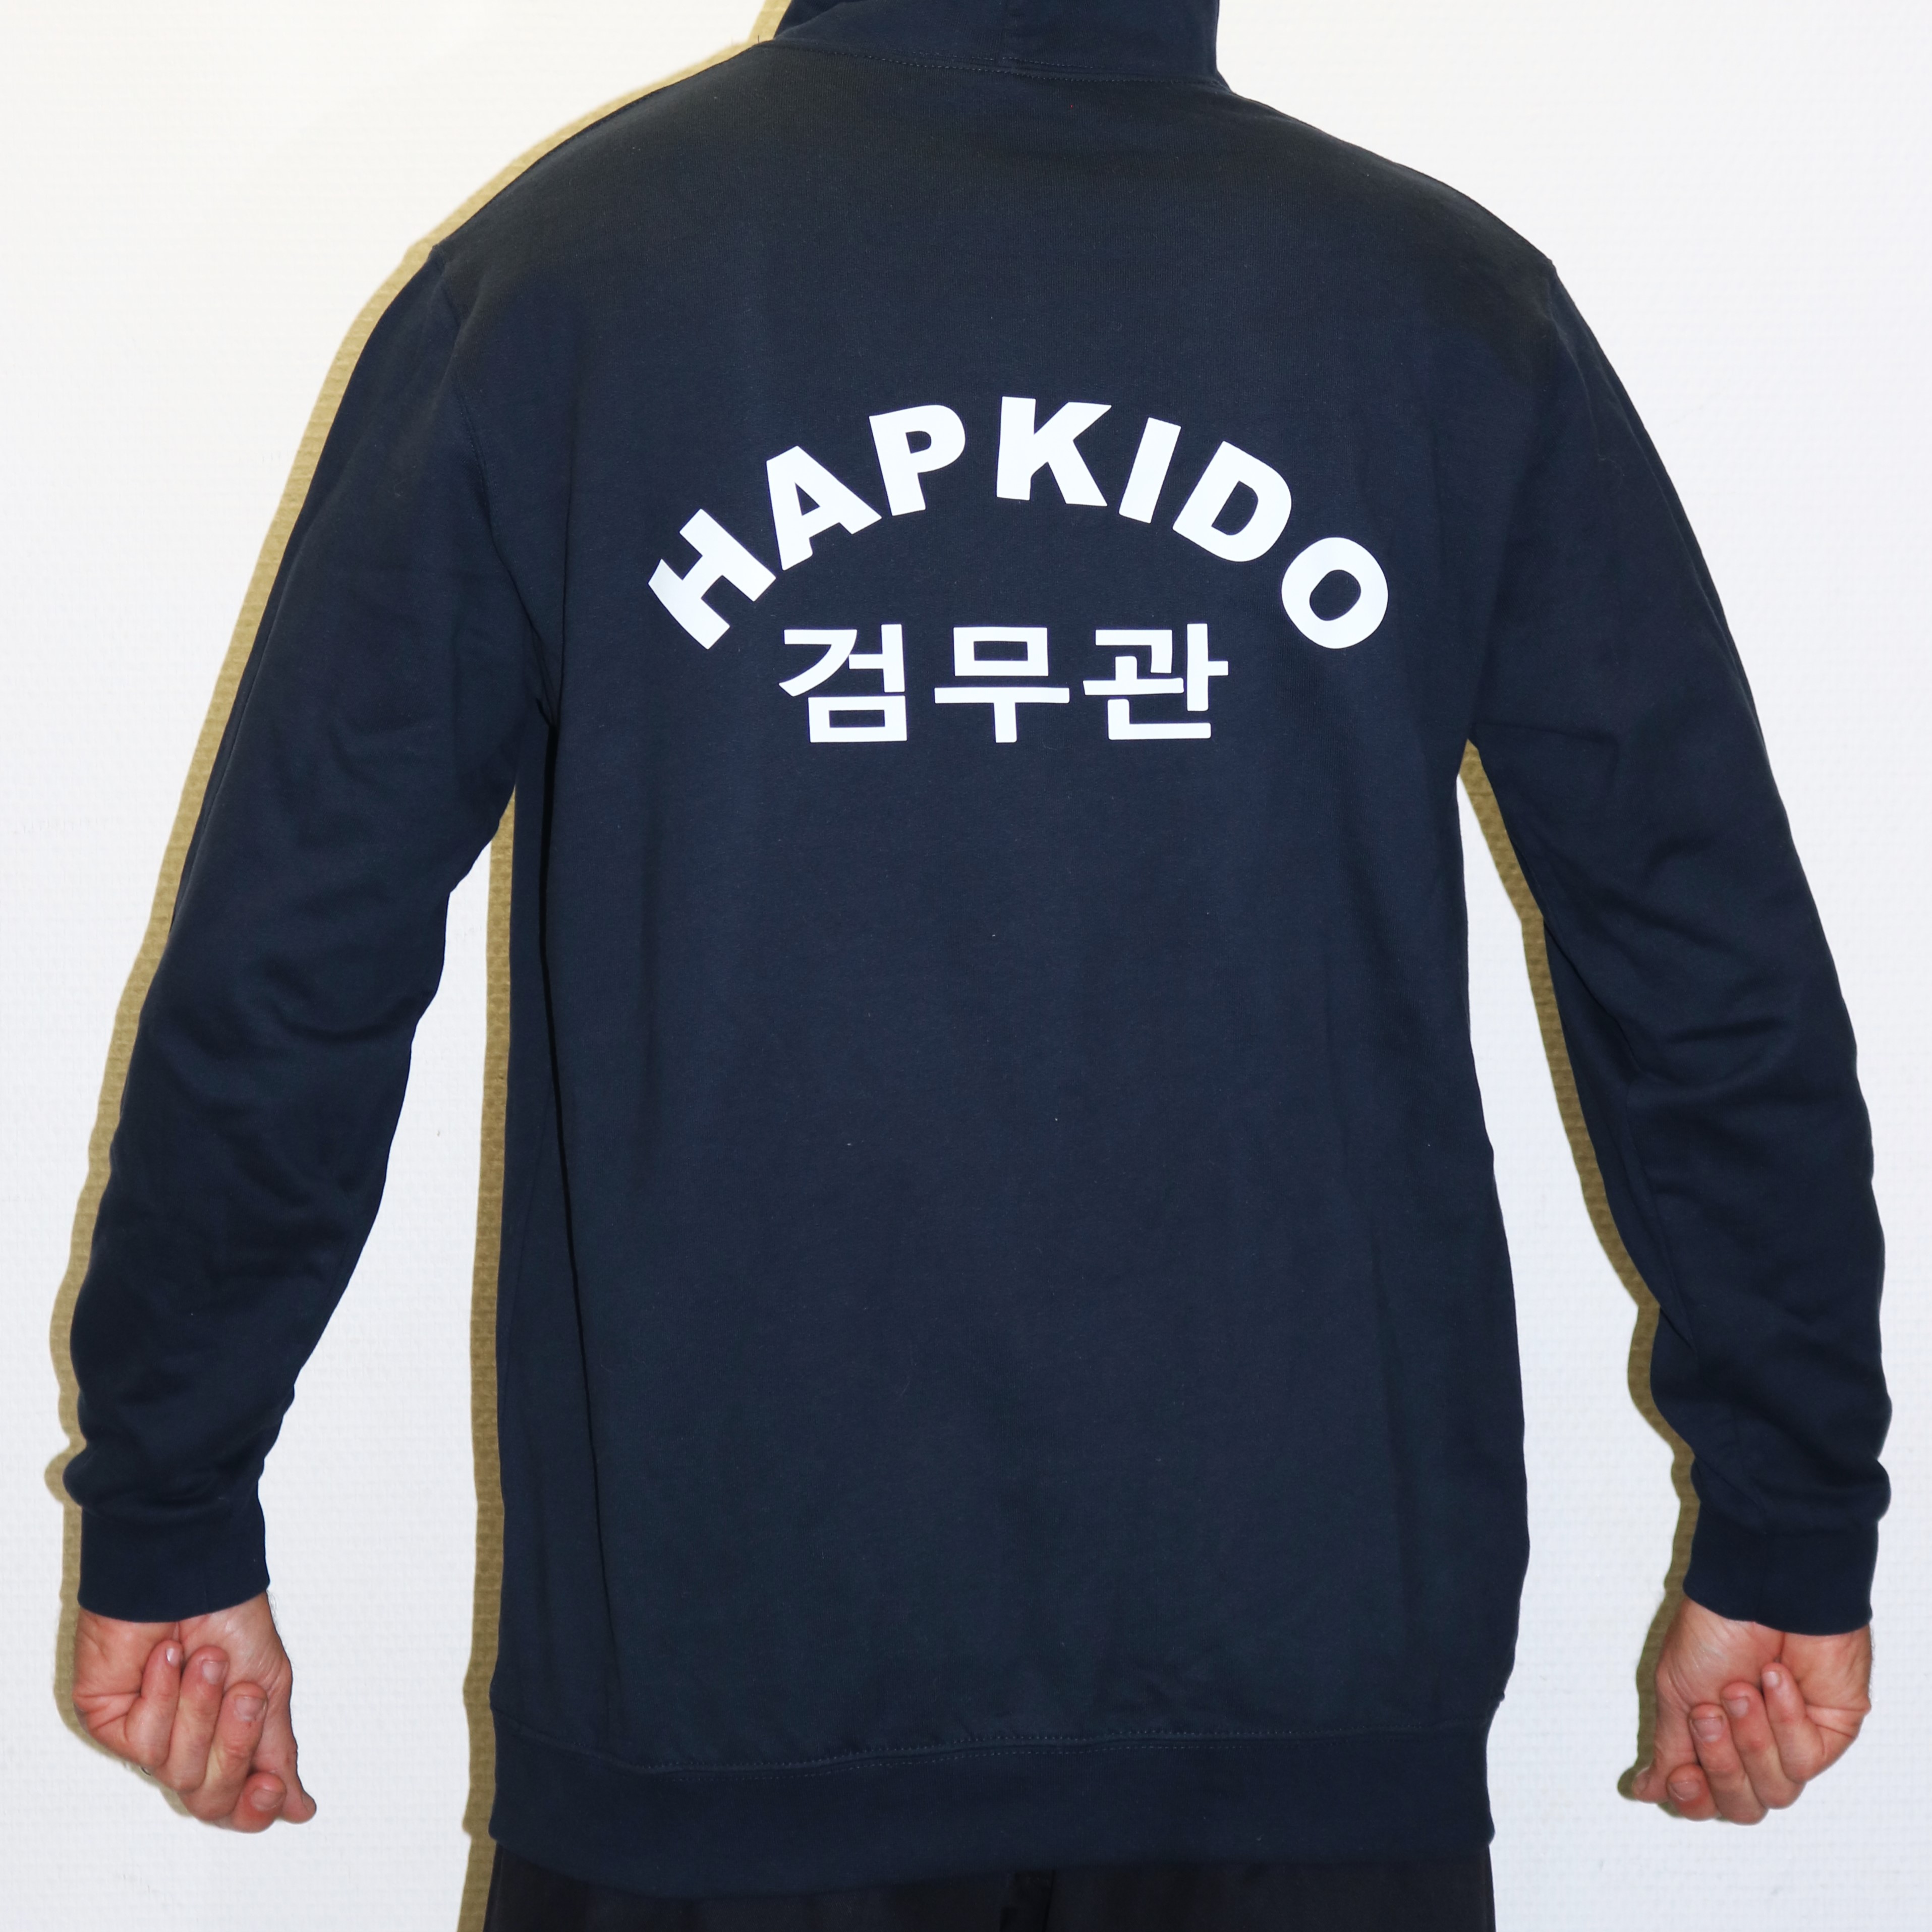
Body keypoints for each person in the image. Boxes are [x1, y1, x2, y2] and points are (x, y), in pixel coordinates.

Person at [65, 2, 1887, 1926]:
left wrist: (176, 1499)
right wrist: (1786, 1515)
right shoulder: (1437, 304)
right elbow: (1699, 951)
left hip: (727, 1686)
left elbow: (292, 955)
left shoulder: (569, 278)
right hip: (1295, 1686)